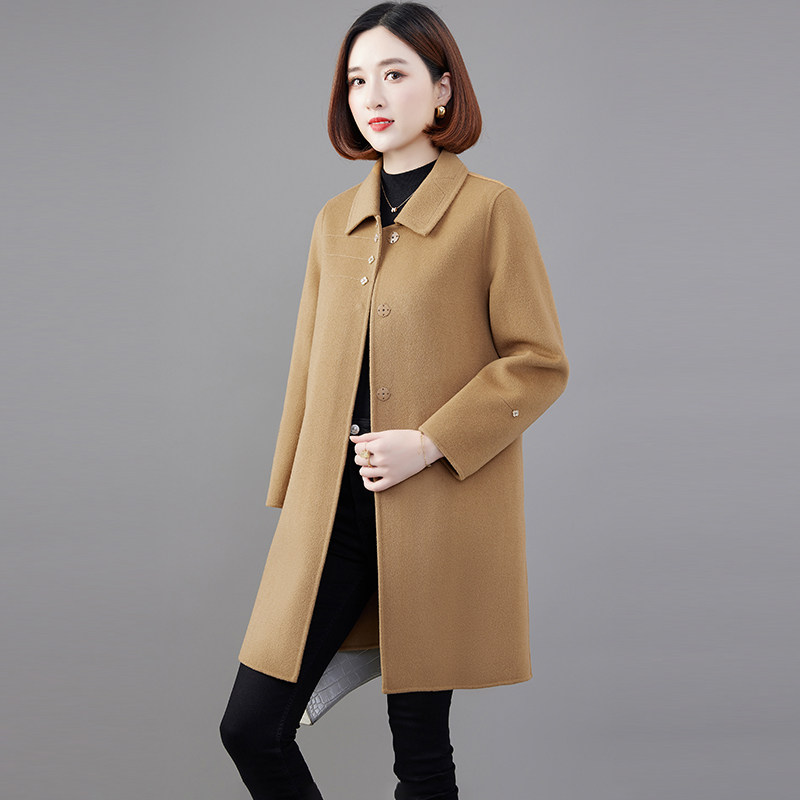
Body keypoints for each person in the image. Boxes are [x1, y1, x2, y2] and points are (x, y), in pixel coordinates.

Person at [219, 2, 570, 798]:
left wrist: (430, 442)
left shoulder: (490, 210)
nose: (371, 95)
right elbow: (307, 369)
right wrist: (293, 493)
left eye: (393, 73)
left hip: (432, 513)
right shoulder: (332, 223)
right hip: (333, 516)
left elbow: (539, 363)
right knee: (251, 729)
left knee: (422, 759)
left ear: (442, 90)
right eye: (355, 80)